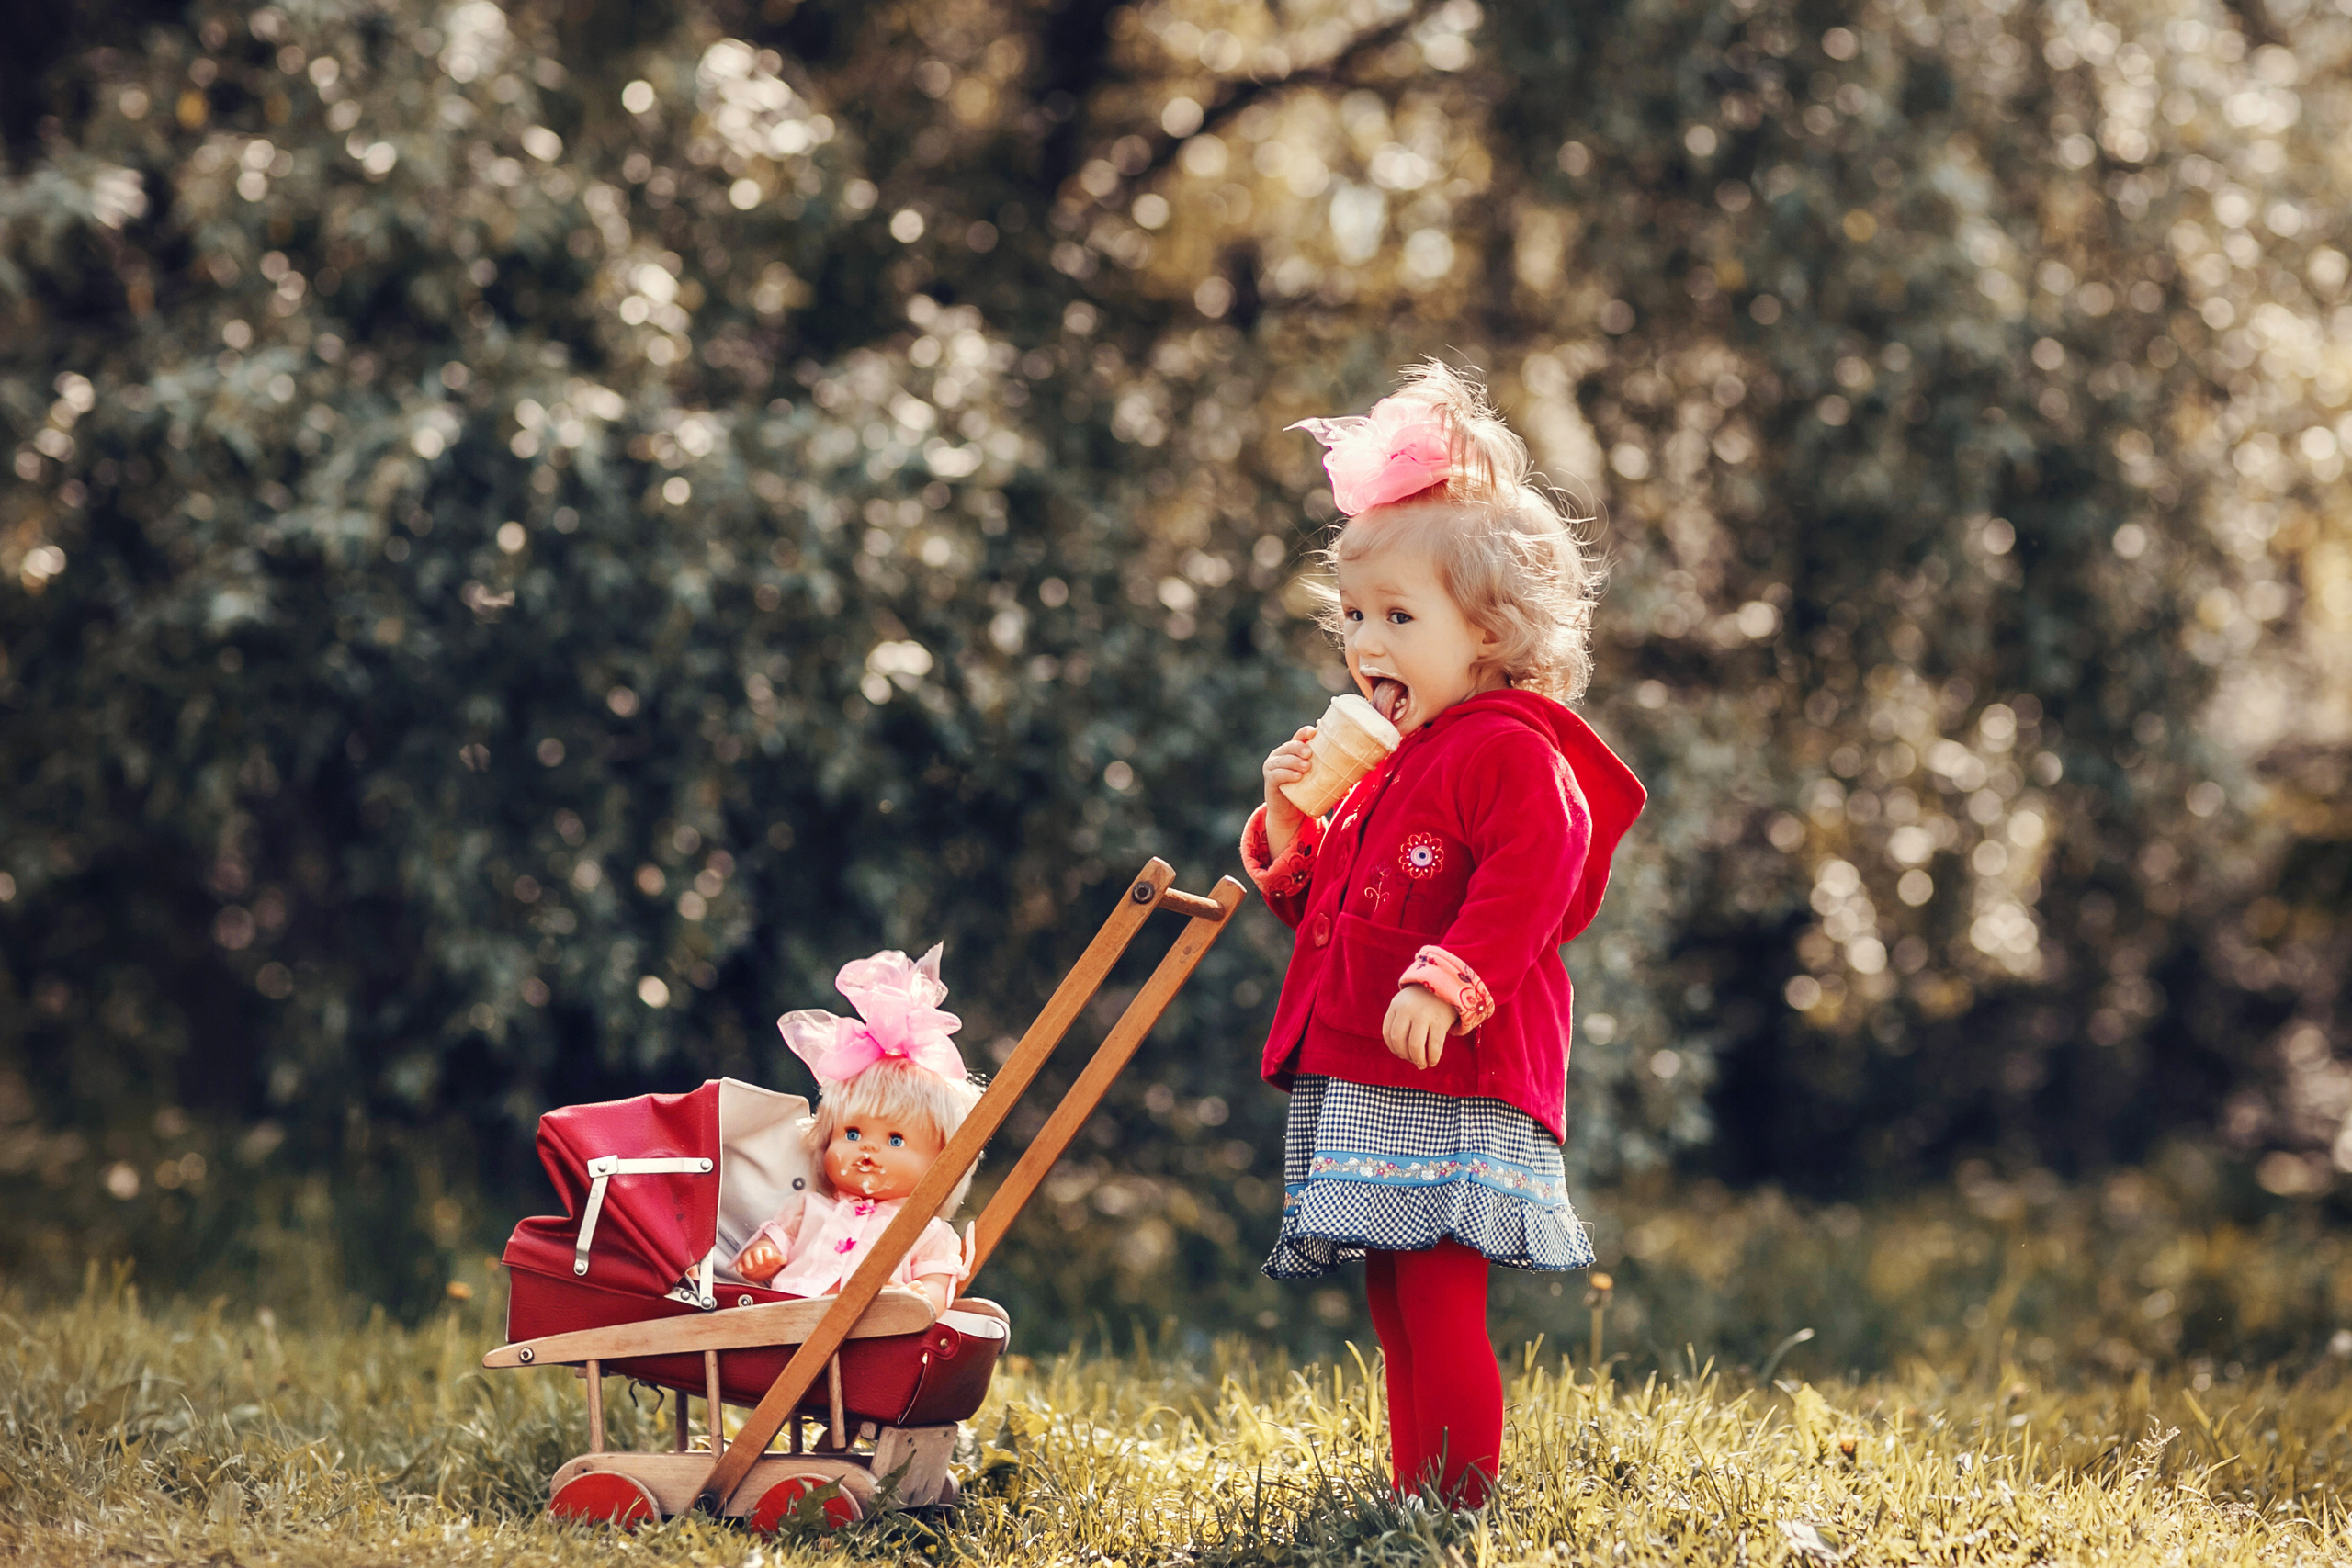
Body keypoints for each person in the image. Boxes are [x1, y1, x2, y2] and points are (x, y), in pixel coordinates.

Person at [1243, 362, 1646, 1508]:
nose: (1367, 642)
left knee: (1437, 1293)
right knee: (1393, 1292)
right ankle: (1411, 1487)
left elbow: (1537, 870)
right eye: (1355, 618)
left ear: (1491, 635)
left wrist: (1449, 978)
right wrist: (1291, 822)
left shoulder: (1508, 746)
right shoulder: (1398, 757)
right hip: (1378, 1059)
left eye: (1399, 618)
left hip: (1448, 1065)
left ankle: (1455, 1502)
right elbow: (1331, 915)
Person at [731, 944, 983, 1316]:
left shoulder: (925, 1234)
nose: (867, 1149)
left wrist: (919, 1297)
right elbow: (771, 1245)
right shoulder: (808, 1209)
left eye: (895, 1140)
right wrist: (762, 1255)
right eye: (851, 1134)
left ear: (940, 1163)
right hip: (788, 1329)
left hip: (868, 1341)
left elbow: (935, 1290)